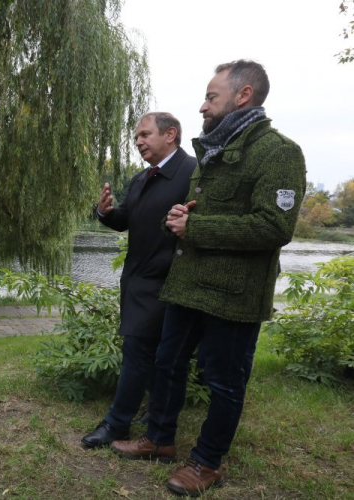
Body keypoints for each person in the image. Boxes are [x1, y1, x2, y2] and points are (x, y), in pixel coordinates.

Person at [110, 60, 306, 497]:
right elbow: (198, 215)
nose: (202, 106)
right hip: (188, 285)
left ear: (243, 96)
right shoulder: (213, 152)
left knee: (224, 379)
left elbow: (275, 227)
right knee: (167, 363)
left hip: (234, 295)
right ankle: (159, 440)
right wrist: (178, 218)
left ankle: (207, 461)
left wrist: (195, 228)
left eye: (211, 97)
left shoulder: (279, 152)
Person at [81, 113, 196, 449]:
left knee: (147, 356)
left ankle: (117, 424)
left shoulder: (193, 173)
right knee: (151, 356)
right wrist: (106, 212)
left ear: (171, 134)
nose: (139, 142)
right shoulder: (141, 178)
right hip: (139, 282)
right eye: (136, 138)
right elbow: (127, 220)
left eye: (145, 134)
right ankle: (153, 417)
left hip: (173, 284)